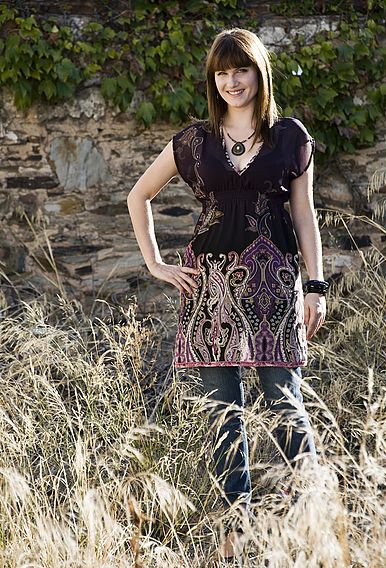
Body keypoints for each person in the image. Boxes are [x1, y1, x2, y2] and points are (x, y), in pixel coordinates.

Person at [127, 27, 328, 561]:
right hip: (208, 286)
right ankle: (235, 538)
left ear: (259, 72)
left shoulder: (291, 138)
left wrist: (316, 283)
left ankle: (308, 524)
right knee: (224, 414)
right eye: (221, 72)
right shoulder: (195, 141)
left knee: (285, 403)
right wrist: (156, 264)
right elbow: (138, 195)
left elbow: (303, 215)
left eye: (240, 70)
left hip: (271, 283)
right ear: (212, 81)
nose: (231, 81)